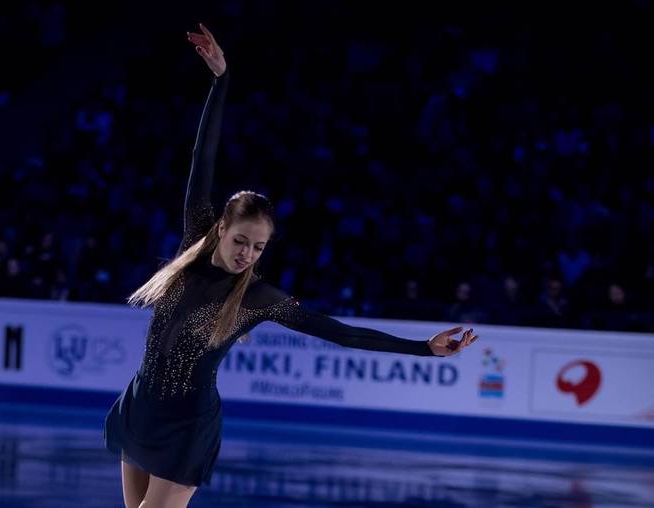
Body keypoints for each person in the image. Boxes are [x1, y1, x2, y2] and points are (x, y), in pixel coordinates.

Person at [104, 23, 480, 508]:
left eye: (259, 248)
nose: (247, 255)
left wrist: (425, 349)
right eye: (241, 240)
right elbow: (203, 160)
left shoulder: (259, 299)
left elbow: (341, 333)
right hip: (141, 408)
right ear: (221, 228)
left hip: (185, 429)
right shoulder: (194, 241)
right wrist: (220, 81)